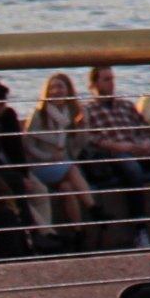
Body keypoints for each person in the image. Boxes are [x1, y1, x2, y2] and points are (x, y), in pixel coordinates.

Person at [77, 64, 150, 244]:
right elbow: (87, 139)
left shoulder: (126, 105)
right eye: (106, 80)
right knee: (133, 169)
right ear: (94, 84)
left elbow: (144, 127)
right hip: (113, 153)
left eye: (112, 79)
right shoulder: (88, 110)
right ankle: (141, 231)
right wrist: (115, 145)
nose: (111, 83)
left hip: (138, 148)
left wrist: (146, 141)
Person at [24, 73, 96, 238]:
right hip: (41, 166)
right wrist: (49, 157)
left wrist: (81, 128)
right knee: (71, 168)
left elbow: (79, 146)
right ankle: (93, 208)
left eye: (60, 87)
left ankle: (79, 234)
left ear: (68, 91)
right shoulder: (39, 115)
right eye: (52, 88)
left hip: (64, 167)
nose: (56, 91)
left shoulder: (72, 114)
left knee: (68, 189)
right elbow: (28, 146)